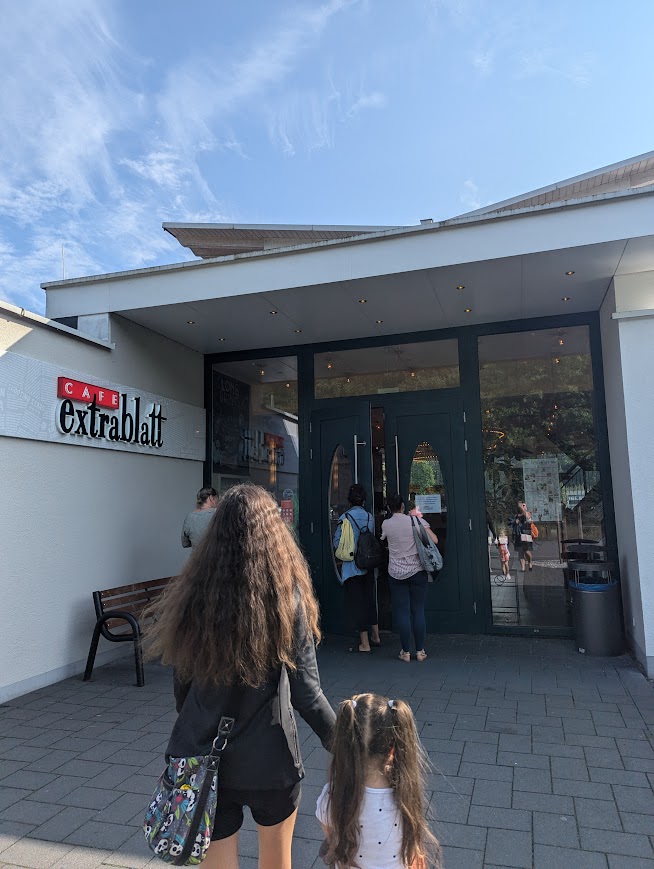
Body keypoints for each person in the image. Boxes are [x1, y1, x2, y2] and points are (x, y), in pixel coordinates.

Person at [145, 484, 336, 869]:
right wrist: (346, 743)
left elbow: (182, 688)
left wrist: (199, 722)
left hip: (205, 756)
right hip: (270, 759)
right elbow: (307, 694)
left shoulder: (194, 596)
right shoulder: (287, 599)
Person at [316, 693, 441, 869]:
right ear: (393, 749)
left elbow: (330, 835)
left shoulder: (333, 794)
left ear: (346, 748)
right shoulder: (406, 792)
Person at [381, 494, 439, 663]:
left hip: (396, 573)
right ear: (403, 506)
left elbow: (383, 539)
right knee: (418, 610)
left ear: (389, 508)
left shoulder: (386, 524)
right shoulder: (415, 521)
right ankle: (420, 651)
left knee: (402, 612)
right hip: (417, 571)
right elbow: (434, 540)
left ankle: (405, 652)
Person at [333, 483, 381, 654]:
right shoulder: (369, 517)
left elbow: (337, 542)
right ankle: (376, 636)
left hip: (352, 566)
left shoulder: (345, 518)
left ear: (349, 501)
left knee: (358, 604)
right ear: (364, 500)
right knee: (369, 600)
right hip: (368, 564)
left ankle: (365, 644)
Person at [511, 501, 533, 572]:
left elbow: (528, 518)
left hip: (526, 535)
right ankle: (523, 568)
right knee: (520, 551)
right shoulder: (517, 516)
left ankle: (530, 562)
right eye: (521, 505)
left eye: (524, 506)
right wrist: (515, 522)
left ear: (526, 507)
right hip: (518, 535)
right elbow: (512, 524)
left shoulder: (528, 514)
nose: (522, 507)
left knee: (526, 551)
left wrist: (522, 508)